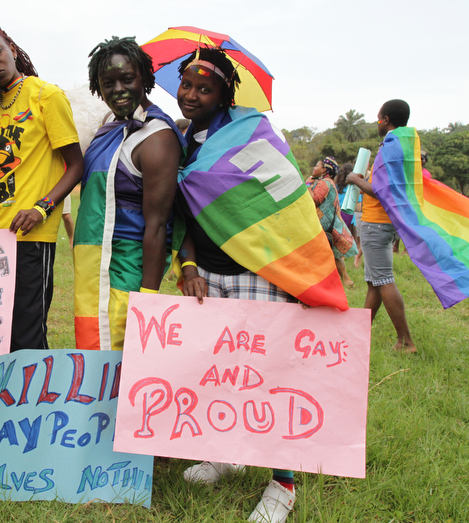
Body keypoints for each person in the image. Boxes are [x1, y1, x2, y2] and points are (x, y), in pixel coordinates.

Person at [173, 46, 340, 523]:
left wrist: (293, 277)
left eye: (205, 88)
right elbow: (181, 217)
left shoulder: (255, 132)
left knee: (269, 378)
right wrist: (186, 267)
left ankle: (282, 485)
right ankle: (225, 453)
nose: (192, 94)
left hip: (258, 275)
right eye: (187, 83)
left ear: (225, 95)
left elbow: (287, 207)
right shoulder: (182, 140)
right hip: (206, 276)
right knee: (219, 372)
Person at [0, 23, 83, 427]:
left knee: (26, 329)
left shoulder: (46, 95)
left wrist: (43, 207)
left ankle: (33, 415)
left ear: (11, 48)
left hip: (29, 236)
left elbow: (76, 165)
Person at [72, 36, 184, 351]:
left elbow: (158, 224)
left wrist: (146, 298)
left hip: (129, 267)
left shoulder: (156, 137)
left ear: (144, 79)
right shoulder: (110, 124)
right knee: (94, 349)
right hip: (95, 262)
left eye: (127, 79)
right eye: (108, 82)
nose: (118, 89)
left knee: (119, 351)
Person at [346, 99, 416, 353]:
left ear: (385, 119)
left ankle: (405, 341)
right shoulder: (403, 144)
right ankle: (358, 333)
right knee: (374, 281)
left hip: (377, 223)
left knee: (383, 279)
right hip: (386, 222)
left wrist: (355, 179)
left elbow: (380, 191)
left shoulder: (389, 146)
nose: (377, 122)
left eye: (378, 118)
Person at [306, 157, 358, 287]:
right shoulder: (327, 182)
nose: (314, 168)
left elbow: (315, 199)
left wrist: (307, 185)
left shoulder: (324, 183)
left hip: (323, 225)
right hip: (328, 225)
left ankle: (335, 280)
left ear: (324, 169)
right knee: (333, 254)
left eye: (317, 166)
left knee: (324, 254)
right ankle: (345, 279)